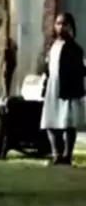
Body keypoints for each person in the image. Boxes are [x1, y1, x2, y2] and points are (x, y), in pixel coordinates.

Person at [40, 12, 86, 165]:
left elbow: (79, 71)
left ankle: (67, 154)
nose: (61, 27)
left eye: (64, 24)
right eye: (58, 24)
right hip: (52, 88)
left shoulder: (75, 49)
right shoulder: (53, 46)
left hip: (67, 90)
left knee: (67, 123)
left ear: (70, 27)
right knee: (50, 122)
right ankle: (56, 153)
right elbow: (48, 69)